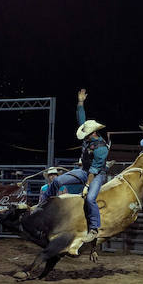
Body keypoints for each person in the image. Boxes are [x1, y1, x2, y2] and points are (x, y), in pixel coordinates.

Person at [39, 88, 109, 243]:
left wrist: (87, 185)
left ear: (93, 133)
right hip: (83, 170)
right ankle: (43, 204)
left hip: (97, 175)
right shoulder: (89, 138)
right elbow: (81, 119)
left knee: (90, 198)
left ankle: (94, 228)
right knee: (57, 181)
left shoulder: (101, 147)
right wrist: (81, 102)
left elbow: (94, 170)